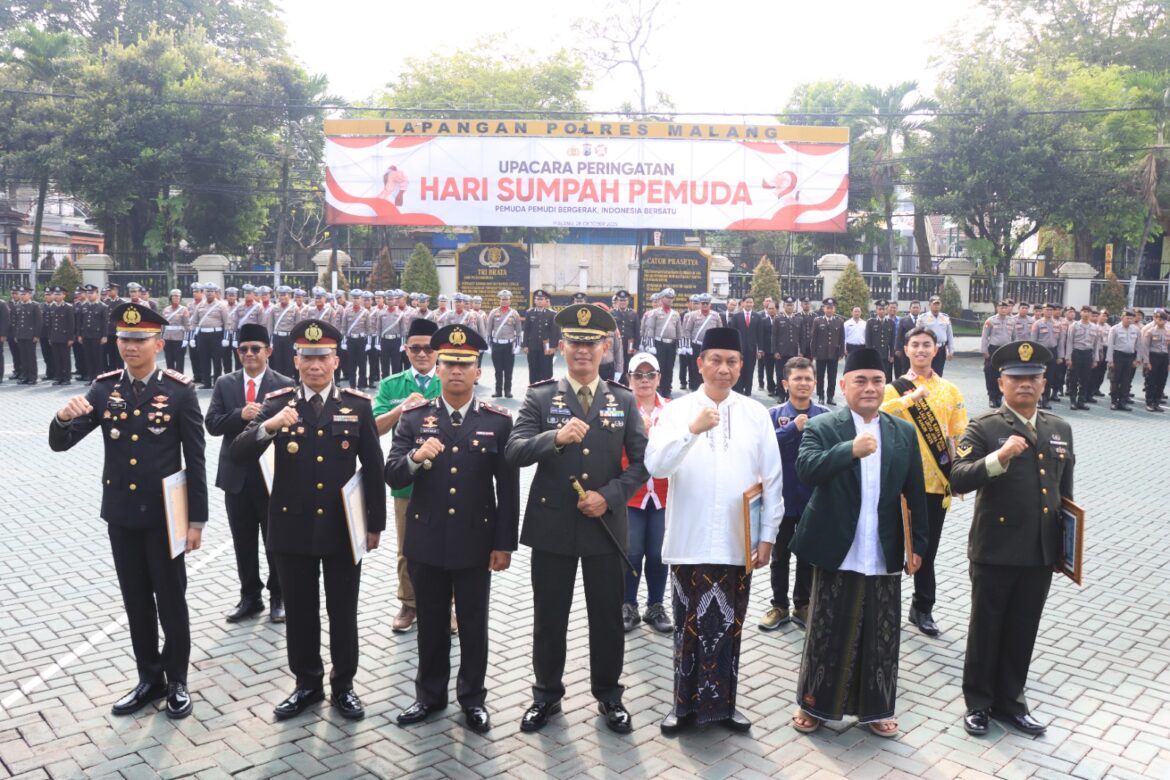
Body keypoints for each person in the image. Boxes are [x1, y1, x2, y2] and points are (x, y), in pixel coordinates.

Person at [49, 302, 208, 719]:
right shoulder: (104, 389)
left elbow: (196, 459)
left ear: (158, 342)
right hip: (121, 514)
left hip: (164, 516)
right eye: (124, 338)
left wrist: (196, 521)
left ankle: (176, 680)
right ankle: (148, 677)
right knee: (136, 600)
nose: (130, 346)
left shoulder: (179, 391)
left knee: (171, 599)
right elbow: (61, 442)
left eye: (139, 340)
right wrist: (63, 419)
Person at [231, 318, 386, 722]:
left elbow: (373, 465)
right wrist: (267, 426)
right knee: (300, 611)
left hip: (341, 528)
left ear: (335, 360)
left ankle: (344, 685)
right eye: (307, 356)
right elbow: (238, 451)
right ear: (295, 359)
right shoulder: (277, 402)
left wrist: (375, 525)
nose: (314, 365)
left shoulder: (357, 405)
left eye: (322, 357)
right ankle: (307, 684)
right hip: (290, 526)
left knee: (343, 610)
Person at [505, 303, 648, 735]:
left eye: (592, 344)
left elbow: (642, 464)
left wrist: (609, 497)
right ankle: (546, 696)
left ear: (606, 348)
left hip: (604, 526)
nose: (583, 352)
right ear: (561, 347)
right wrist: (554, 437)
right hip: (552, 528)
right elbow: (514, 450)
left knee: (607, 616)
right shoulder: (540, 396)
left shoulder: (622, 399)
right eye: (575, 344)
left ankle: (609, 695)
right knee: (550, 616)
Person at [645, 326, 784, 734]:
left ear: (742, 366)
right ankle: (682, 707)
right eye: (716, 360)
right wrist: (692, 431)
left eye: (732, 362)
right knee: (687, 628)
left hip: (737, 542)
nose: (723, 369)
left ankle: (723, 707)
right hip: (690, 540)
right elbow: (657, 467)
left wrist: (769, 536)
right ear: (700, 363)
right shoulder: (675, 411)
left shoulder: (756, 413)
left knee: (729, 628)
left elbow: (772, 480)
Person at [387, 324, 520, 734]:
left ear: (478, 371)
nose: (457, 371)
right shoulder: (413, 418)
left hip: (475, 542)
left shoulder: (498, 422)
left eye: (466, 364)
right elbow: (391, 474)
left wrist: (504, 545)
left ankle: (473, 698)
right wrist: (414, 457)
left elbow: (509, 490)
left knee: (474, 623)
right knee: (429, 622)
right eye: (449, 363)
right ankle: (429, 695)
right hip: (425, 540)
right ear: (438, 368)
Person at [789, 347, 928, 738]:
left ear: (886, 385)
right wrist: (850, 449)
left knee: (881, 632)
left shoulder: (901, 431)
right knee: (826, 628)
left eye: (877, 381)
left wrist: (918, 545)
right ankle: (813, 706)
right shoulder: (825, 426)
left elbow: (916, 494)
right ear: (843, 384)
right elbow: (807, 470)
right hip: (837, 546)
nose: (870, 388)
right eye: (861, 381)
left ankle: (877, 709)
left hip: (882, 547)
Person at [950, 340, 1073, 737]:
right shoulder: (985, 427)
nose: (1025, 385)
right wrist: (998, 457)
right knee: (986, 627)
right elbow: (957, 478)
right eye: (1016, 379)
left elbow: (1065, 494)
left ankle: (1011, 702)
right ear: (1001, 382)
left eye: (1033, 378)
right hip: (996, 549)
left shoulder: (1059, 427)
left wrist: (1066, 550)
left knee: (1023, 628)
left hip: (1040, 551)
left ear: (1044, 382)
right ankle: (979, 704)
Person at [880, 326, 969, 637]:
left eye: (927, 345)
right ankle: (883, 606)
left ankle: (923, 608)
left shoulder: (950, 390)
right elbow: (876, 413)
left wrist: (957, 470)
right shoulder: (894, 389)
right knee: (890, 546)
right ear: (906, 350)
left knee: (926, 550)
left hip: (935, 484)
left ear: (936, 349)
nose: (920, 350)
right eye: (915, 345)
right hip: (899, 483)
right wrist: (911, 399)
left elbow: (957, 434)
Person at [205, 323, 295, 624]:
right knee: (243, 541)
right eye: (243, 350)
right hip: (237, 475)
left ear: (268, 351)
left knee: (275, 540)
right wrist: (239, 415)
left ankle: (278, 596)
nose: (249, 354)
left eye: (255, 349)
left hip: (273, 476)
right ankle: (249, 597)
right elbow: (212, 424)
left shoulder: (284, 384)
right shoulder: (225, 383)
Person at [373, 317, 443, 633]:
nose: (422, 354)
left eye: (429, 348)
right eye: (415, 348)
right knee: (407, 547)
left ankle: (447, 607)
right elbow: (373, 428)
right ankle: (409, 603)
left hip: (444, 479)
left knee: (447, 542)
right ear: (406, 350)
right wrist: (402, 408)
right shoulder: (392, 385)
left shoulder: (451, 380)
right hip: (406, 478)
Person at [759, 357, 827, 631]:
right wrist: (792, 428)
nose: (803, 383)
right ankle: (779, 605)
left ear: (815, 382)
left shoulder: (825, 415)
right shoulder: (774, 414)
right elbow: (762, 447)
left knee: (808, 555)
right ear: (786, 383)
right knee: (780, 556)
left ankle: (803, 604)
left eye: (808, 378)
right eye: (797, 379)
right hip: (782, 499)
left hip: (814, 500)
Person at [621, 353, 671, 634]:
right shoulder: (621, 409)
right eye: (638, 375)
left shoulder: (672, 410)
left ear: (659, 378)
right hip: (633, 494)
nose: (644, 380)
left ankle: (656, 605)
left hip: (663, 493)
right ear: (629, 379)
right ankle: (628, 604)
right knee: (632, 551)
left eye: (650, 374)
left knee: (657, 552)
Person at [643, 289, 683, 398]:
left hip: (671, 344)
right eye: (667, 297)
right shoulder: (655, 313)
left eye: (671, 298)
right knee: (659, 368)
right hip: (658, 343)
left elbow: (679, 331)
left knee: (669, 367)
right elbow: (651, 329)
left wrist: (680, 346)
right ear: (662, 298)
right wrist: (650, 345)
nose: (670, 300)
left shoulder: (675, 314)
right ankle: (658, 389)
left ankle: (667, 390)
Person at [486, 290, 522, 398]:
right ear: (499, 300)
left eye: (506, 299)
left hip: (509, 345)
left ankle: (507, 391)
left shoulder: (514, 313)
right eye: (502, 299)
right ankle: (498, 391)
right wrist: (488, 345)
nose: (504, 301)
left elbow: (519, 331)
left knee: (508, 369)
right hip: (496, 345)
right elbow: (489, 330)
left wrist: (518, 346)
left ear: (510, 301)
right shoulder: (493, 312)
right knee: (498, 370)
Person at [810, 297, 845, 405]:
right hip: (820, 354)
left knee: (832, 377)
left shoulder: (839, 321)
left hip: (833, 354)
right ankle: (821, 396)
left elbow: (841, 338)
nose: (829, 310)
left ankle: (830, 397)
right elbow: (813, 338)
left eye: (831, 308)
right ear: (824, 308)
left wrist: (841, 353)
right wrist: (813, 353)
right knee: (820, 376)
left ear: (834, 309)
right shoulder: (817, 321)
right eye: (827, 308)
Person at [981, 301, 1016, 408]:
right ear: (997, 308)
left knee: (1003, 374)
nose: (1003, 309)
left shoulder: (1012, 321)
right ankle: (992, 397)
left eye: (1005, 308)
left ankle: (999, 397)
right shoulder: (990, 321)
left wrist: (1013, 351)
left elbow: (1014, 337)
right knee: (991, 373)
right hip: (993, 349)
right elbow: (984, 337)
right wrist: (985, 351)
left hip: (1005, 350)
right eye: (1001, 307)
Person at [1106, 310, 1142, 411]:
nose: (1129, 320)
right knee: (1115, 380)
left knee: (1126, 381)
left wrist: (1138, 359)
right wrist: (1110, 360)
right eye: (1127, 318)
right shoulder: (1114, 329)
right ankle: (1114, 402)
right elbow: (1110, 346)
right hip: (1117, 356)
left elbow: (1139, 345)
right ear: (1122, 318)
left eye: (1131, 318)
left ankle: (1123, 402)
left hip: (1130, 357)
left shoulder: (1136, 330)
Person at [728, 295, 763, 395]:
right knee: (738, 370)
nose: (749, 304)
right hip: (739, 350)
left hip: (752, 350)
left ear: (753, 303)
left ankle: (748, 392)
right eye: (747, 302)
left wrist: (760, 349)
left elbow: (760, 334)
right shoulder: (736, 316)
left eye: (750, 302)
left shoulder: (757, 317)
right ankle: (738, 391)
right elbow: (732, 334)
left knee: (749, 371)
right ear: (743, 303)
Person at [524, 290, 558, 384]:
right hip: (532, 346)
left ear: (545, 301)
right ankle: (533, 390)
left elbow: (554, 332)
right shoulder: (529, 313)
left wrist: (553, 346)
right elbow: (526, 330)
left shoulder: (551, 314)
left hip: (546, 347)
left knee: (546, 369)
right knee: (533, 368)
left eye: (541, 299)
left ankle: (546, 390)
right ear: (534, 301)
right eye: (537, 299)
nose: (539, 301)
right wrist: (525, 345)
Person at [917, 296, 955, 376]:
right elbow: (918, 335)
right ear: (929, 305)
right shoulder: (923, 318)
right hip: (928, 348)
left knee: (939, 373)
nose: (936, 306)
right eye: (934, 304)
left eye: (938, 304)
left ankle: (937, 388)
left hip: (941, 349)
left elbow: (949, 335)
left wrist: (951, 350)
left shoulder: (945, 317)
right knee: (927, 372)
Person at [1139, 309, 1168, 412]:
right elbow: (1145, 347)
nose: (1160, 321)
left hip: (1164, 358)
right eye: (1158, 319)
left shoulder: (1168, 331)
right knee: (1151, 381)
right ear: (1155, 319)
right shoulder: (1150, 331)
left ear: (1166, 320)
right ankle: (1149, 402)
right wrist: (1147, 362)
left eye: (1163, 319)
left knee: (1161, 381)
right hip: (1153, 357)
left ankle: (1157, 402)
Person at [865, 299, 896, 382]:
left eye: (884, 309)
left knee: (887, 376)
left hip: (886, 354)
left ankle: (886, 393)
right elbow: (868, 341)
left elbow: (892, 341)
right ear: (876, 310)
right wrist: (869, 355)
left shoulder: (891, 323)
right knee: (875, 375)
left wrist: (892, 354)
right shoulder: (870, 322)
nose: (882, 311)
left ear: (886, 310)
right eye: (880, 309)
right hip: (874, 354)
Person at [893, 301, 921, 377]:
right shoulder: (903, 320)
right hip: (906, 350)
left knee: (918, 369)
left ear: (920, 309)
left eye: (917, 307)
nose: (915, 309)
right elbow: (899, 335)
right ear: (910, 309)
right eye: (913, 307)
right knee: (906, 369)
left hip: (920, 349)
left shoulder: (923, 320)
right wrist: (897, 349)